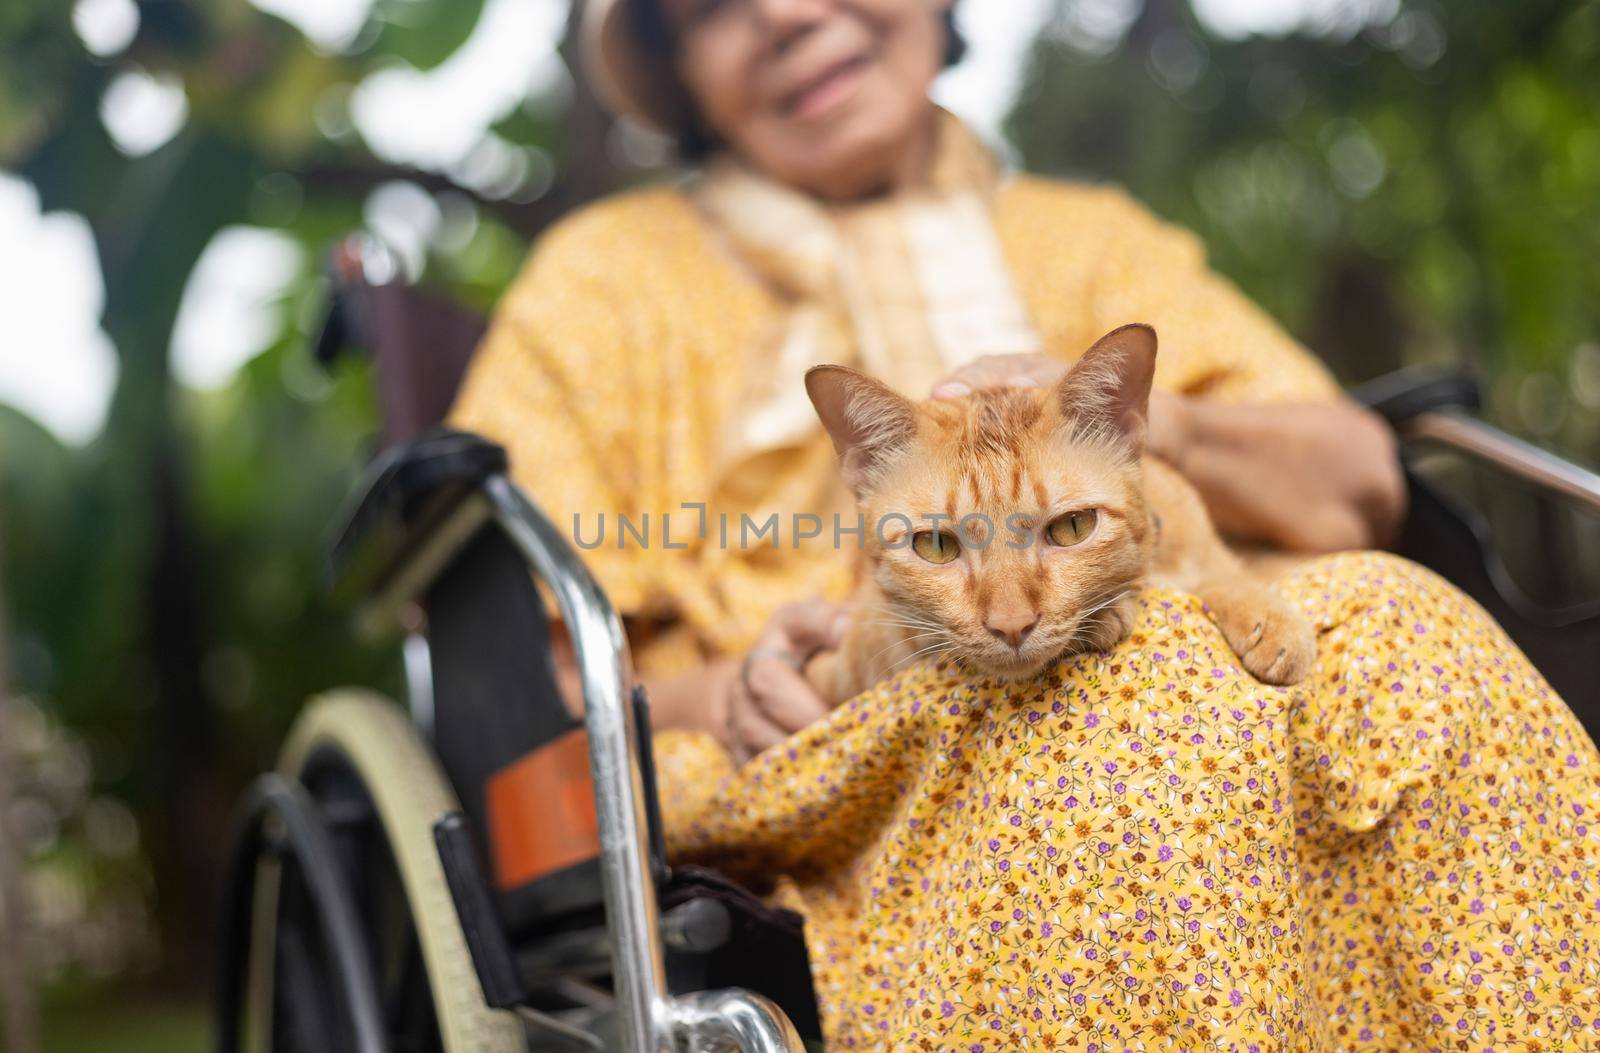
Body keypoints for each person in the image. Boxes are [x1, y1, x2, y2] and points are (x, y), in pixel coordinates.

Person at [448, 1, 1600, 1048]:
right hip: (845, 734)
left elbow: (1359, 481)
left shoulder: (1083, 238)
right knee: (1113, 740)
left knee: (1414, 641)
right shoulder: (600, 283)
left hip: (1212, 612)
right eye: (713, 6)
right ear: (675, 65)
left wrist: (1133, 425)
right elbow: (535, 685)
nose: (791, 14)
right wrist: (740, 685)